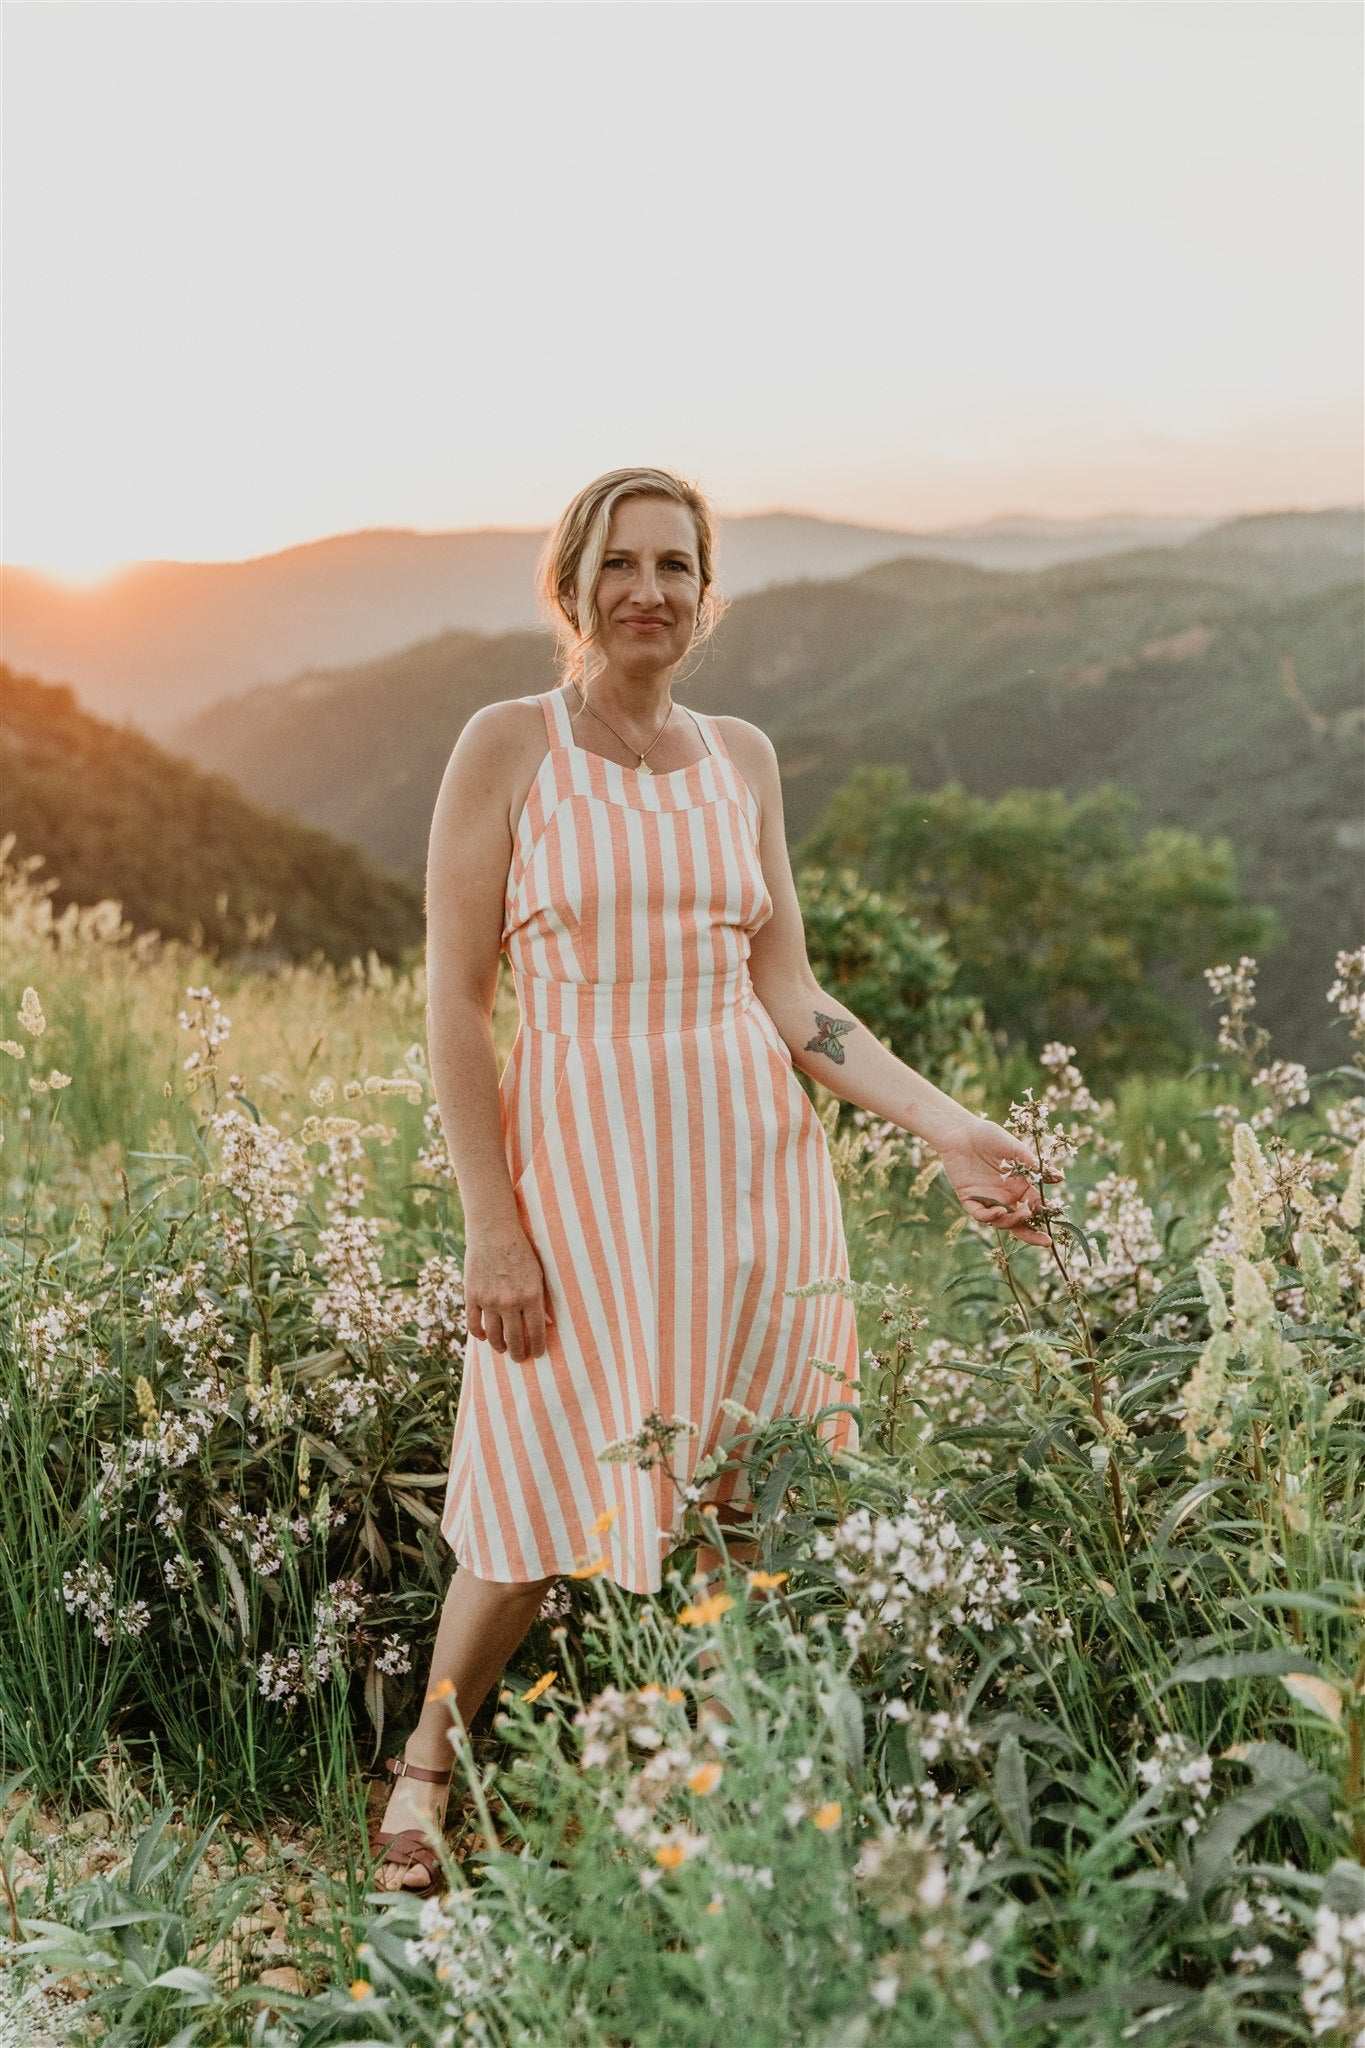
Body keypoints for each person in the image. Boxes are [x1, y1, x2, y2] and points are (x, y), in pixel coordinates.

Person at [370, 466, 1061, 1891]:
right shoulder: (506, 746)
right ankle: (426, 1765)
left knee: (739, 1494)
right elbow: (454, 1003)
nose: (646, 590)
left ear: (705, 595)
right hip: (577, 1175)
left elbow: (790, 995)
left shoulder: (740, 756)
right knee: (528, 1481)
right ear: (570, 585)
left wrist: (946, 1125)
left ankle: (702, 1780)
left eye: (674, 566)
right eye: (619, 564)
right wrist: (489, 1225)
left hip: (747, 1174)